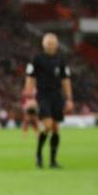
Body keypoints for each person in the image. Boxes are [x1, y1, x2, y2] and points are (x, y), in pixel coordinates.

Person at [24, 33, 73, 168]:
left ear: (57, 45)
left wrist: (69, 98)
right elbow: (30, 76)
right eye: (48, 44)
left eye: (53, 44)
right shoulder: (37, 59)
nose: (51, 46)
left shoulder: (60, 60)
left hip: (57, 96)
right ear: (43, 45)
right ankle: (39, 155)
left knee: (56, 129)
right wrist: (28, 95)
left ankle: (53, 161)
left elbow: (66, 80)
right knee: (47, 125)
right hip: (43, 95)